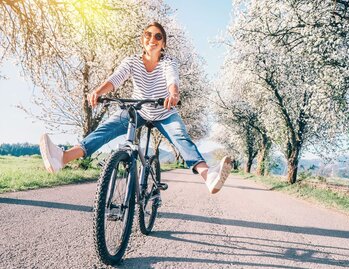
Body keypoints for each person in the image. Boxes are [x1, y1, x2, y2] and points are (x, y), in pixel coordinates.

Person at [40, 22, 231, 194]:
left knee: (181, 137)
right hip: (138, 110)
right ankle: (63, 158)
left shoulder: (168, 62)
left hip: (164, 112)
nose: (152, 39)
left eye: (158, 36)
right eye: (148, 35)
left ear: (163, 43)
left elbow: (172, 80)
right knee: (105, 129)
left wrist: (173, 95)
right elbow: (116, 78)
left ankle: (209, 177)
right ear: (142, 40)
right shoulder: (132, 61)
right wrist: (98, 92)